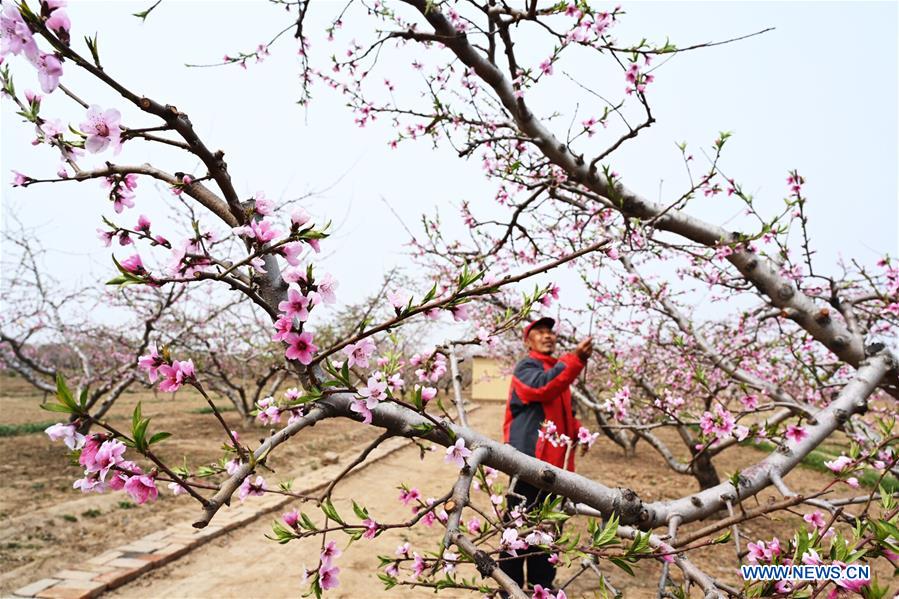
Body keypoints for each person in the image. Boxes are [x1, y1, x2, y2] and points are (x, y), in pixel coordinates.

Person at [499, 316, 593, 591]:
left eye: (550, 332)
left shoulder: (556, 370)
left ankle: (542, 589)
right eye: (539, 332)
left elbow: (560, 416)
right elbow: (540, 388)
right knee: (519, 528)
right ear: (528, 341)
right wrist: (574, 359)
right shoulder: (527, 367)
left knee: (548, 531)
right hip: (529, 463)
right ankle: (510, 590)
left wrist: (578, 432)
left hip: (553, 468)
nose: (547, 336)